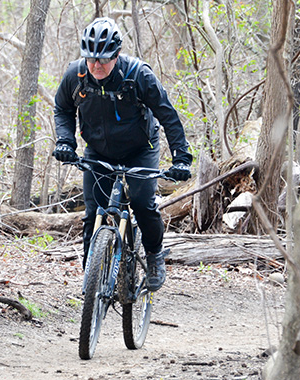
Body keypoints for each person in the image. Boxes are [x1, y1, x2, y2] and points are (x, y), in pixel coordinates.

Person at [52, 17, 192, 292]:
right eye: (91, 59)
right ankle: (91, 276)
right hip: (98, 151)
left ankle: (154, 255)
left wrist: (181, 158)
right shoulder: (76, 75)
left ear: (116, 55)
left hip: (141, 149)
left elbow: (168, 115)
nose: (96, 65)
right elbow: (63, 109)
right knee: (94, 213)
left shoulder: (139, 75)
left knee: (142, 203)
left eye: (103, 59)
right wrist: (66, 142)